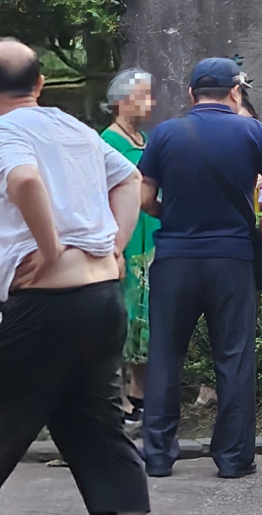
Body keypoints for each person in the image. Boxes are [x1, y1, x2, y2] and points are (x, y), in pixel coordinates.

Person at [0, 39, 149, 515]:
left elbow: (24, 180)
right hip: (101, 300)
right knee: (96, 432)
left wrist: (48, 245)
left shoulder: (4, 130)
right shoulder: (72, 126)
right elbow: (129, 180)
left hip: (46, 308)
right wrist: (113, 247)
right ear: (39, 84)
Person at [139, 58, 262, 479]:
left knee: (165, 355)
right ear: (234, 92)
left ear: (191, 95)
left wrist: (169, 215)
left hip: (174, 259)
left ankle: (157, 456)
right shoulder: (250, 131)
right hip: (231, 260)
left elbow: (144, 198)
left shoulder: (164, 134)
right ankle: (232, 458)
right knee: (233, 357)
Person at [101, 68, 161, 427]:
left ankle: (141, 394)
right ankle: (119, 396)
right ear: (121, 101)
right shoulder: (105, 143)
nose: (150, 103)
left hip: (153, 236)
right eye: (143, 96)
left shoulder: (148, 140)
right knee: (124, 313)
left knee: (149, 312)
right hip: (124, 240)